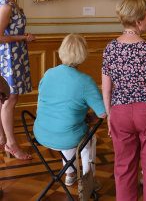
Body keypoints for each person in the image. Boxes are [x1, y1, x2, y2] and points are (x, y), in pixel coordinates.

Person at [102, 0, 146, 201]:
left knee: (123, 167)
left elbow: (106, 89)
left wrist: (109, 115)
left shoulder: (110, 48)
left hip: (120, 112)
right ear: (138, 21)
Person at [33, 33, 106, 187]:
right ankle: (88, 182)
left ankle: (70, 174)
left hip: (41, 133)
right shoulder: (85, 81)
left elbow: (39, 106)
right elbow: (103, 113)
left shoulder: (48, 73)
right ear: (83, 54)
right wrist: (92, 115)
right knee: (88, 138)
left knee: (69, 126)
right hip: (66, 137)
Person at [0, 0, 35, 160]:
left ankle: (2, 139)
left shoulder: (12, 4)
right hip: (9, 57)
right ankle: (11, 145)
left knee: (4, 100)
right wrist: (24, 37)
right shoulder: (6, 7)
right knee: (9, 100)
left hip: (16, 55)